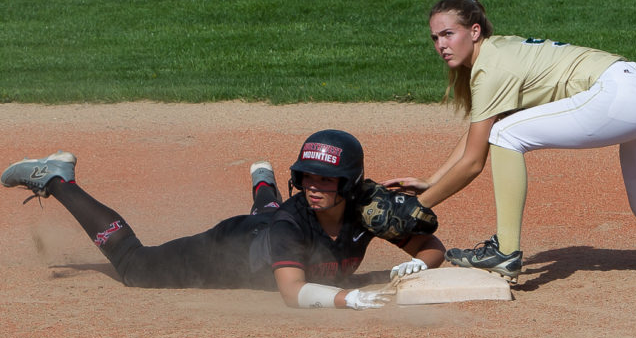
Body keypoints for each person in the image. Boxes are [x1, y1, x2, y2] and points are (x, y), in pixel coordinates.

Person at [384, 0, 636, 283]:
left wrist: (416, 207)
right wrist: (434, 179)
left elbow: (476, 158)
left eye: (448, 34)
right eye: (435, 38)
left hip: (621, 97)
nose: (440, 45)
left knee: (508, 135)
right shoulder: (498, 53)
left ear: (473, 31)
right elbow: (480, 130)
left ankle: (505, 251)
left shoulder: (491, 68)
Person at [2, 129, 445, 309]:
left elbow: (430, 248)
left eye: (326, 180)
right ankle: (59, 179)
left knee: (275, 216)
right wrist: (346, 300)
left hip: (270, 227)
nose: (314, 185)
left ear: (348, 186)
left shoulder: (367, 211)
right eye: (307, 176)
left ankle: (262, 186)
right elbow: (292, 293)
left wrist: (420, 261)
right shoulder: (294, 222)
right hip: (227, 249)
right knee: (135, 267)